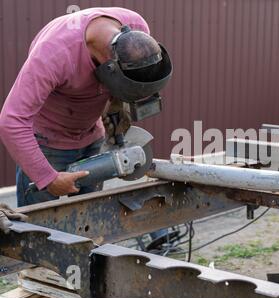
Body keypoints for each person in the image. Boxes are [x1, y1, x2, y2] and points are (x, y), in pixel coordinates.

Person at [0, 7, 170, 242]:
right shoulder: (53, 54)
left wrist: (117, 103)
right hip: (47, 143)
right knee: (35, 233)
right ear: (109, 62)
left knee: (88, 225)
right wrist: (47, 178)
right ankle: (40, 276)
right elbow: (11, 120)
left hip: (92, 136)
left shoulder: (137, 29)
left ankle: (81, 273)